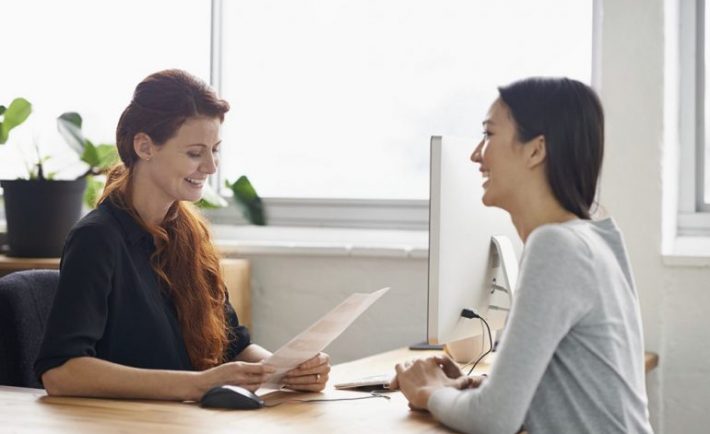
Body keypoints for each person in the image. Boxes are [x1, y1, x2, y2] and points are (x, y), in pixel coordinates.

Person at [35, 69, 330, 401]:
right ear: (145, 146)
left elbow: (235, 345)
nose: (211, 167)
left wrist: (285, 371)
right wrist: (196, 383)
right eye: (194, 153)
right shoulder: (97, 239)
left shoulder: (189, 234)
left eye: (214, 150)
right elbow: (61, 373)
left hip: (184, 420)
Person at [391, 77, 653, 433]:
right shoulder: (592, 240)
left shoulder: (555, 246)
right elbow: (565, 389)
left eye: (489, 134)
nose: (476, 155)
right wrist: (478, 389)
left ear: (535, 149)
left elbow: (493, 421)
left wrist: (429, 392)